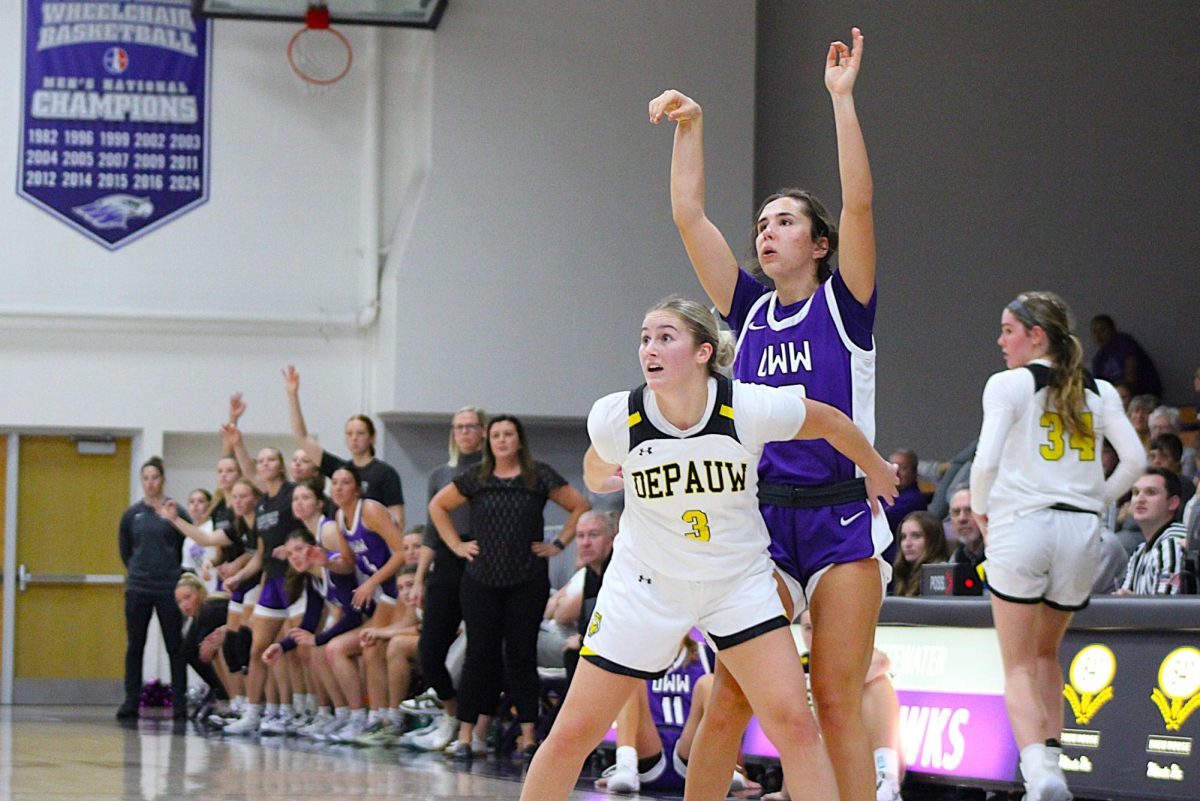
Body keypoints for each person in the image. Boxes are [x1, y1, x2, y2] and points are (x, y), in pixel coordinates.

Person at [517, 297, 898, 801]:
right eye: (645, 337)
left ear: (702, 353)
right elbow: (593, 464)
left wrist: (874, 467)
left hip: (734, 585)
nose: (649, 348)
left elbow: (828, 419)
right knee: (571, 735)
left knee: (796, 727)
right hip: (646, 586)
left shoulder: (747, 405)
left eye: (665, 337)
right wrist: (604, 476)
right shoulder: (618, 414)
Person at [650, 28, 890, 801]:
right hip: (762, 523)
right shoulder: (747, 310)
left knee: (836, 702)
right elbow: (690, 216)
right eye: (762, 222)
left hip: (841, 519)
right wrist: (692, 127)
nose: (766, 230)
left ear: (819, 243)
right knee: (730, 695)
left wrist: (841, 100)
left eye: (785, 220)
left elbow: (858, 200)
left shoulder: (844, 304)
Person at [970, 291, 1144, 801]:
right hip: (1081, 532)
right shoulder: (1101, 391)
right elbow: (1133, 462)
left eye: (1008, 330)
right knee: (1048, 654)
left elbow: (984, 463)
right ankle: (1052, 763)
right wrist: (1097, 500)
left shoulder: (1008, 385)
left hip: (1022, 525)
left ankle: (1038, 774)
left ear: (1035, 336)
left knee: (1018, 663)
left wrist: (982, 510)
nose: (1001, 340)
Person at [430, 413, 590, 760]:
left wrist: (560, 543)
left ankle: (528, 737)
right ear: (490, 441)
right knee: (478, 656)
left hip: (526, 579)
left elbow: (579, 505)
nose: (502, 440)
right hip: (481, 579)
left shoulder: (538, 475)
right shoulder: (478, 476)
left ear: (519, 440)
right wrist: (457, 545)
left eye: (509, 434)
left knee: (521, 656)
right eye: (497, 435)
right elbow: (437, 506)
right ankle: (466, 736)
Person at [405, 406, 487, 751]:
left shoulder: (491, 471)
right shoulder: (440, 474)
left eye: (471, 426)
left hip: (483, 560)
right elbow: (431, 533)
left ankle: (478, 730)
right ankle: (451, 714)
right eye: (459, 427)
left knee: (481, 651)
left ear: (482, 431)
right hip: (447, 562)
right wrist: (420, 578)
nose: (465, 432)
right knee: (430, 650)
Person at [763, 610, 904, 801]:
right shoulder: (798, 665)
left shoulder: (851, 656)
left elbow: (881, 661)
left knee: (879, 686)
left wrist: (837, 691)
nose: (813, 635)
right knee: (807, 718)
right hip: (816, 754)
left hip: (855, 744)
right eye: (808, 628)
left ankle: (887, 783)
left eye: (818, 628)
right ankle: (790, 791)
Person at [281, 366, 406, 528]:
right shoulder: (339, 468)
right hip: (341, 543)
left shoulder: (385, 473)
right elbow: (301, 437)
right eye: (349, 433)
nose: (354, 438)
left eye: (360, 433)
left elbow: (398, 519)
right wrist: (292, 396)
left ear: (372, 438)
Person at [117, 456, 189, 721]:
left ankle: (180, 703)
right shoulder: (131, 515)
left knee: (175, 646)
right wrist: (138, 570)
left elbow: (188, 545)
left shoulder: (176, 512)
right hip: (139, 588)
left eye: (155, 478)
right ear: (142, 481)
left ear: (163, 480)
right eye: (146, 478)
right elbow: (126, 550)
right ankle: (131, 701)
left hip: (169, 588)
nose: (150, 483)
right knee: (135, 645)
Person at [1116, 469, 1190, 595]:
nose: (1140, 499)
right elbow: (1124, 598)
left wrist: (1132, 603)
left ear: (1173, 503)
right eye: (1135, 492)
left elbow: (1168, 609)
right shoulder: (1140, 551)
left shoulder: (1173, 544)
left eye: (1151, 492)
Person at [174, 573, 233, 719]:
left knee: (212, 649)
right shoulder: (199, 615)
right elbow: (189, 651)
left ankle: (231, 697)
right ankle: (222, 693)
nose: (184, 605)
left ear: (200, 593)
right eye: (179, 601)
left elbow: (205, 652)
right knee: (188, 649)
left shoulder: (211, 609)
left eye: (188, 597)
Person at [1089, 315, 1162, 398]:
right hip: (1120, 397)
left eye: (1102, 330)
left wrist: (1126, 395)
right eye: (1095, 332)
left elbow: (1131, 372)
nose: (1099, 335)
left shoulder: (1124, 343)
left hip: (1143, 393)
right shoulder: (1099, 358)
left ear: (1112, 330)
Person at [889, 512, 950, 597]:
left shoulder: (941, 574)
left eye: (916, 536)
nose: (907, 544)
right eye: (903, 537)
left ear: (933, 540)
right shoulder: (902, 573)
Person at [885, 450, 928, 534]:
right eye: (892, 467)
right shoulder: (885, 494)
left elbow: (882, 521)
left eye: (903, 468)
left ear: (914, 472)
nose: (896, 472)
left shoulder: (913, 500)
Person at [947, 486, 986, 569]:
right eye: (956, 512)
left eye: (969, 511)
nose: (961, 519)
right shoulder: (956, 558)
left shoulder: (998, 555)